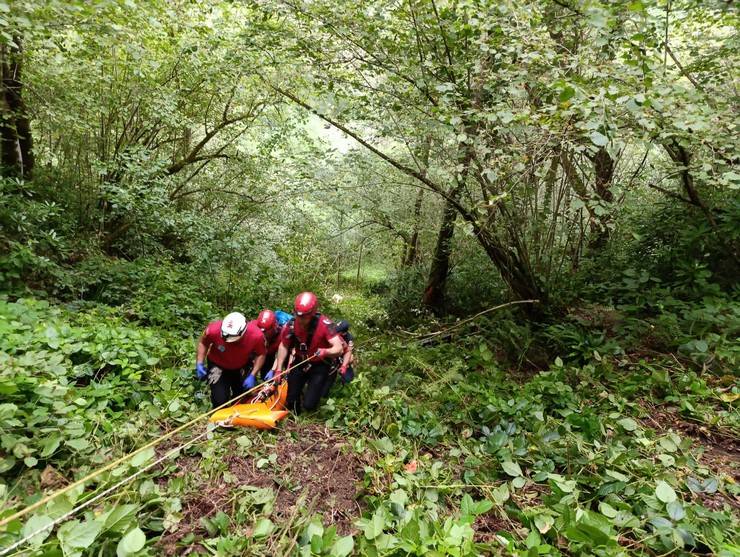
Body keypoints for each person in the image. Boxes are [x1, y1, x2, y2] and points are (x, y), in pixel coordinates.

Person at [271, 292, 343, 413]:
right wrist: (278, 369)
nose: (300, 319)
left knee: (309, 405)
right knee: (291, 401)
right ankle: (296, 411)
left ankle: (311, 397)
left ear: (313, 313)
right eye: (298, 315)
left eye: (304, 316)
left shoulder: (326, 324)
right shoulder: (292, 325)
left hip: (319, 364)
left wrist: (326, 351)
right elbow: (283, 346)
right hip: (301, 361)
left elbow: (338, 348)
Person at [195, 312, 266, 407]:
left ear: (242, 332)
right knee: (219, 399)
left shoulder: (256, 336)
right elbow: (203, 343)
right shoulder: (212, 330)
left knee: (242, 396)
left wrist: (253, 374)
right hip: (218, 365)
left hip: (242, 365)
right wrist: (200, 363)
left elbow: (261, 354)